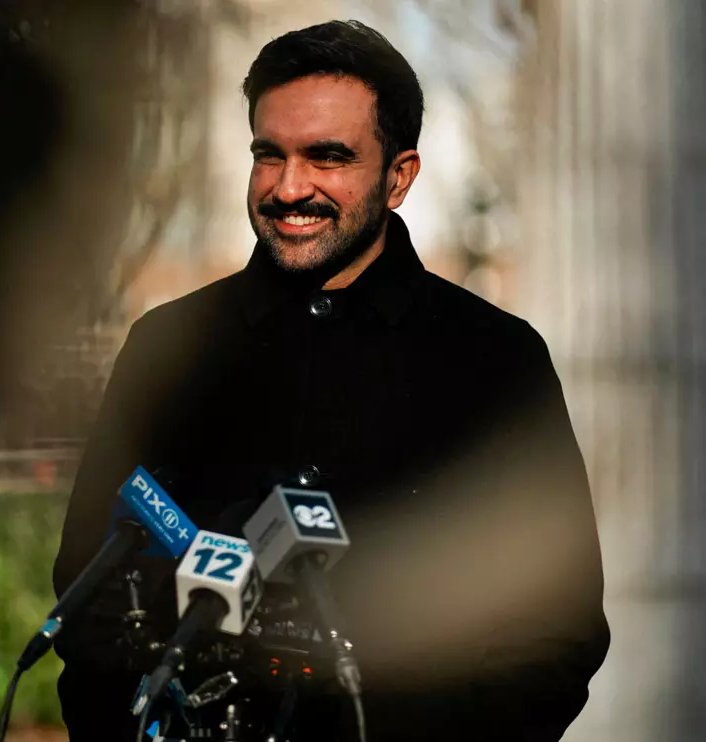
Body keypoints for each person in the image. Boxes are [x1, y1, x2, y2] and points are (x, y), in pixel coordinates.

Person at [51, 19, 609, 742]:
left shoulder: (495, 359)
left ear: (399, 176)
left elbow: (552, 628)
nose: (289, 187)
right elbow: (87, 589)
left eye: (328, 156)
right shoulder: (166, 345)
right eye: (269, 154)